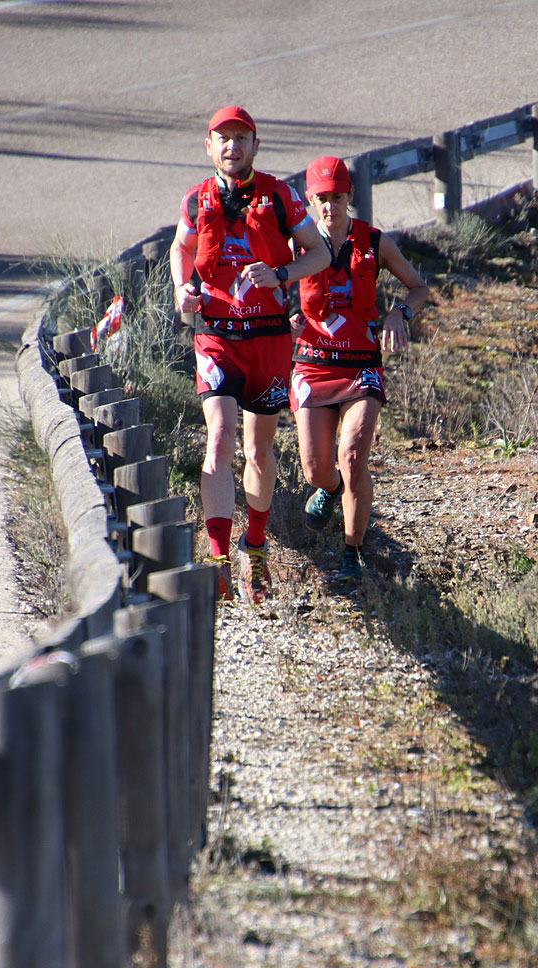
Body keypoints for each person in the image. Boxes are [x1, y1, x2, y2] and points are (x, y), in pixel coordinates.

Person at [170, 106, 330, 603]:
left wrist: (281, 274)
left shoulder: (280, 196)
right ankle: (219, 559)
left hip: (267, 339)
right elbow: (181, 248)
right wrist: (181, 289)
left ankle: (254, 546)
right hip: (216, 336)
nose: (232, 147)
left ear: (256, 146)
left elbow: (320, 254)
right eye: (223, 138)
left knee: (258, 450)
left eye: (241, 138)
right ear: (209, 146)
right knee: (219, 437)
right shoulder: (196, 199)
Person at [290, 156, 430, 580]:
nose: (329, 206)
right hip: (313, 363)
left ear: (349, 195)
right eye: (321, 198)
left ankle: (353, 553)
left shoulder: (373, 241)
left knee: (351, 456)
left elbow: (418, 287)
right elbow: (273, 287)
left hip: (361, 367)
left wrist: (399, 313)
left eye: (337, 197)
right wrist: (285, 317)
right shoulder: (296, 243)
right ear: (309, 199)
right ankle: (330, 489)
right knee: (316, 469)